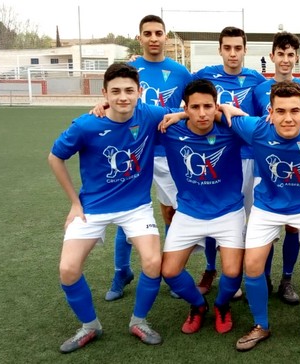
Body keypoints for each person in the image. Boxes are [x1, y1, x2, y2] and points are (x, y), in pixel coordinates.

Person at [48, 63, 173, 353]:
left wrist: (224, 110)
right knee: (68, 269)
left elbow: (184, 113)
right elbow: (55, 157)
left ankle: (138, 321)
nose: (123, 97)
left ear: (140, 92)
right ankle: (90, 326)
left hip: (136, 207)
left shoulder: (150, 114)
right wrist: (74, 203)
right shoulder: (86, 125)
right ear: (104, 93)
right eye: (115, 91)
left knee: (154, 263)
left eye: (129, 90)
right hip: (93, 207)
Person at [220, 81, 300, 353]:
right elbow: (208, 112)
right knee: (251, 266)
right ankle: (260, 325)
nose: (288, 118)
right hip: (268, 206)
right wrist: (220, 106)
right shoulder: (257, 128)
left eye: (294, 111)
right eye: (281, 111)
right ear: (270, 112)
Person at [98, 14, 193, 302]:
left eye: (158, 33)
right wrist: (100, 103)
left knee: (172, 212)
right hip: (131, 151)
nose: (154, 38)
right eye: (148, 33)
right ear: (140, 37)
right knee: (127, 210)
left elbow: (194, 104)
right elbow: (112, 96)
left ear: (166, 37)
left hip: (167, 151)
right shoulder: (129, 68)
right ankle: (121, 271)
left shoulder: (180, 72)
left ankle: (171, 271)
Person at [156, 79, 247, 336]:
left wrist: (230, 110)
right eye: (195, 107)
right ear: (186, 108)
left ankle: (221, 305)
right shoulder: (169, 131)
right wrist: (102, 106)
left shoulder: (230, 128)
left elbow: (262, 125)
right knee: (169, 271)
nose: (202, 113)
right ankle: (198, 305)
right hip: (189, 211)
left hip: (228, 211)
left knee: (232, 271)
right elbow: (130, 117)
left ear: (216, 106)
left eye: (208, 106)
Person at [192, 26, 267, 296]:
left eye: (238, 48)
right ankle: (212, 268)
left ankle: (242, 274)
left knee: (247, 218)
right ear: (220, 49)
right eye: (228, 48)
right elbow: (187, 104)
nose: (233, 53)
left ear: (245, 50)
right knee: (216, 212)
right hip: (216, 157)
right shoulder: (204, 76)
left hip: (248, 158)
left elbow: (262, 119)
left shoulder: (257, 80)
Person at [252, 31, 300, 305]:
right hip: (266, 168)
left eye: (291, 55)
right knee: (267, 228)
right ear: (272, 56)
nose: (286, 59)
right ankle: (264, 277)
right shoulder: (257, 89)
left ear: (296, 57)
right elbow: (251, 125)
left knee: (293, 227)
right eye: (281, 54)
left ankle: (286, 280)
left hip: (299, 167)